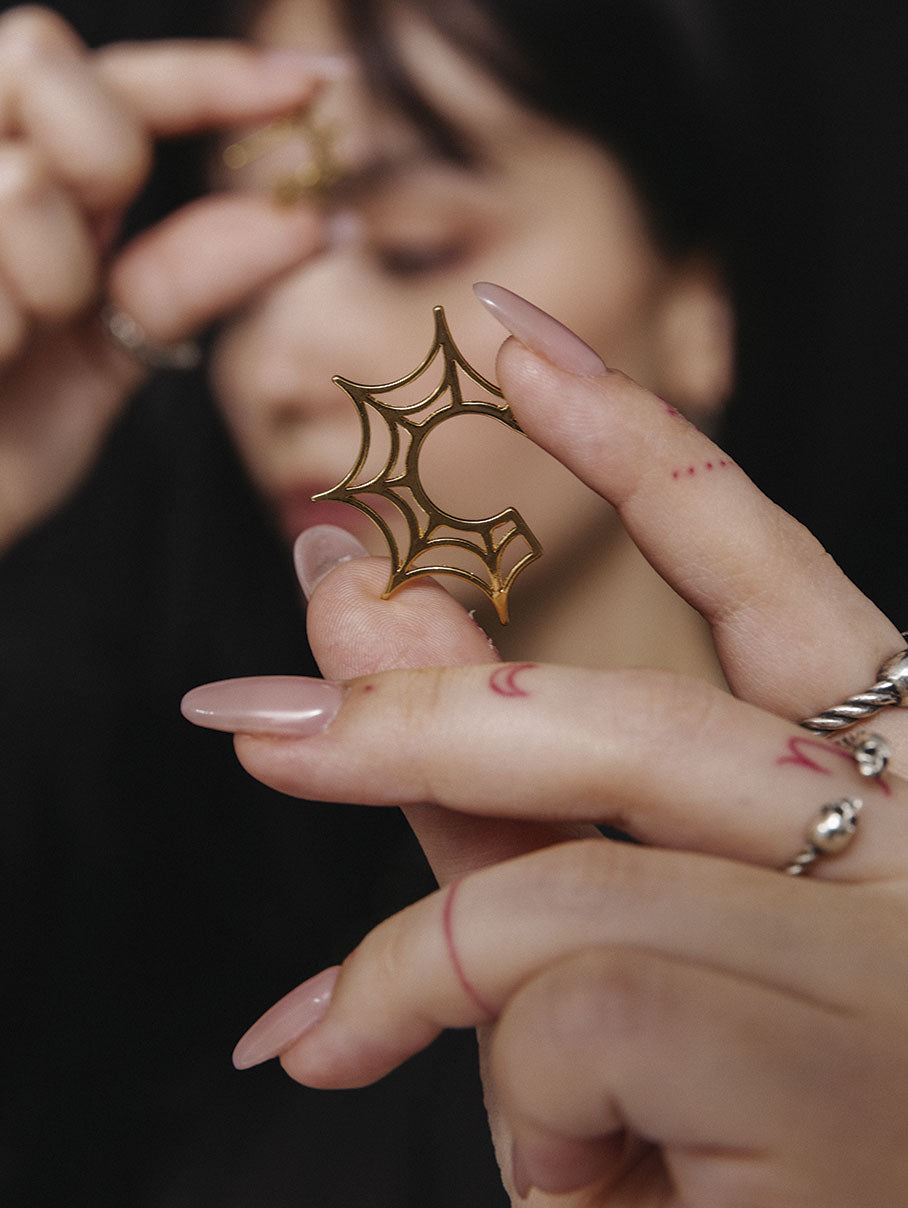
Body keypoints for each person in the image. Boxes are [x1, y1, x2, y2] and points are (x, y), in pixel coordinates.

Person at [1, 0, 905, 1204]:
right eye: (246, 283)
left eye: (410, 243)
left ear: (701, 300)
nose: (271, 370)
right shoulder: (132, 863)